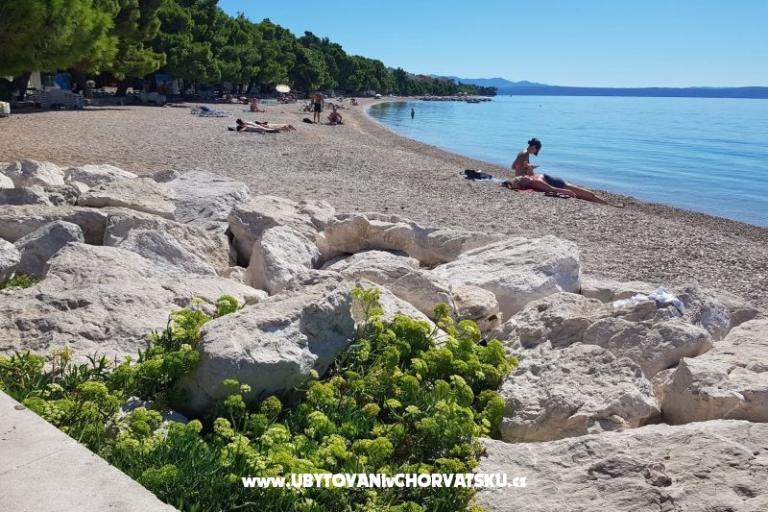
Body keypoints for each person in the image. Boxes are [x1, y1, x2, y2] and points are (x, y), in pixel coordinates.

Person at [508, 137, 613, 205]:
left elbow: (514, 166)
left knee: (581, 192)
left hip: (546, 179)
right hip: (546, 179)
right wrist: (528, 168)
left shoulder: (522, 153)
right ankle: (606, 203)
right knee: (580, 193)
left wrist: (527, 168)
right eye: (537, 150)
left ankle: (606, 203)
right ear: (534, 147)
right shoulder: (525, 155)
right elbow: (521, 168)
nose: (535, 152)